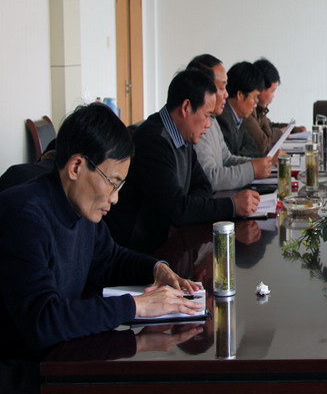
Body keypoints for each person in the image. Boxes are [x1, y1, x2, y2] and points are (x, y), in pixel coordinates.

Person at [0, 103, 203, 359]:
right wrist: (136, 306)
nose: (115, 198)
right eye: (112, 183)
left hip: (57, 355)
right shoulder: (23, 216)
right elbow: (43, 321)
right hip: (8, 365)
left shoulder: (77, 208)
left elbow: (110, 260)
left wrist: (157, 269)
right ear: (76, 167)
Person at [105, 69, 259, 254]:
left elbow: (203, 186)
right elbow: (177, 209)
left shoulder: (182, 136)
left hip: (168, 243)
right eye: (207, 116)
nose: (208, 125)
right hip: (138, 251)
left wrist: (187, 208)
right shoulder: (153, 140)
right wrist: (232, 206)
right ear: (186, 108)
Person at [187, 54, 272, 191]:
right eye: (222, 88)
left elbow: (226, 159)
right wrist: (252, 169)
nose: (226, 94)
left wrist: (257, 164)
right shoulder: (197, 124)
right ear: (203, 88)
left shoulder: (212, 119)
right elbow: (211, 178)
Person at [217, 61, 266, 158]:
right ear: (240, 95)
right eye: (254, 98)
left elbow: (253, 148)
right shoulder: (222, 118)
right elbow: (229, 158)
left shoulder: (240, 118)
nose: (255, 105)